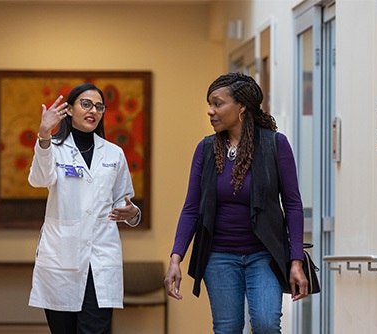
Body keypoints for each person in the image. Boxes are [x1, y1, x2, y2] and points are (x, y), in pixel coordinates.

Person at [164, 73, 307, 334]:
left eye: (218, 104)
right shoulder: (206, 149)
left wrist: (295, 260)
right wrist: (176, 258)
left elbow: (293, 205)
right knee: (227, 328)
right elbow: (191, 208)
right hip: (218, 256)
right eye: (209, 104)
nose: (210, 111)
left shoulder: (275, 144)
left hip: (264, 255)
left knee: (266, 324)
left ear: (241, 106)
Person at [27, 83, 141, 334]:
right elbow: (39, 180)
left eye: (99, 106)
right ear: (69, 109)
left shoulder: (114, 153)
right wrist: (44, 134)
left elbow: (125, 202)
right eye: (86, 104)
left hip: (101, 257)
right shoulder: (54, 147)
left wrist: (133, 214)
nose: (94, 111)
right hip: (61, 257)